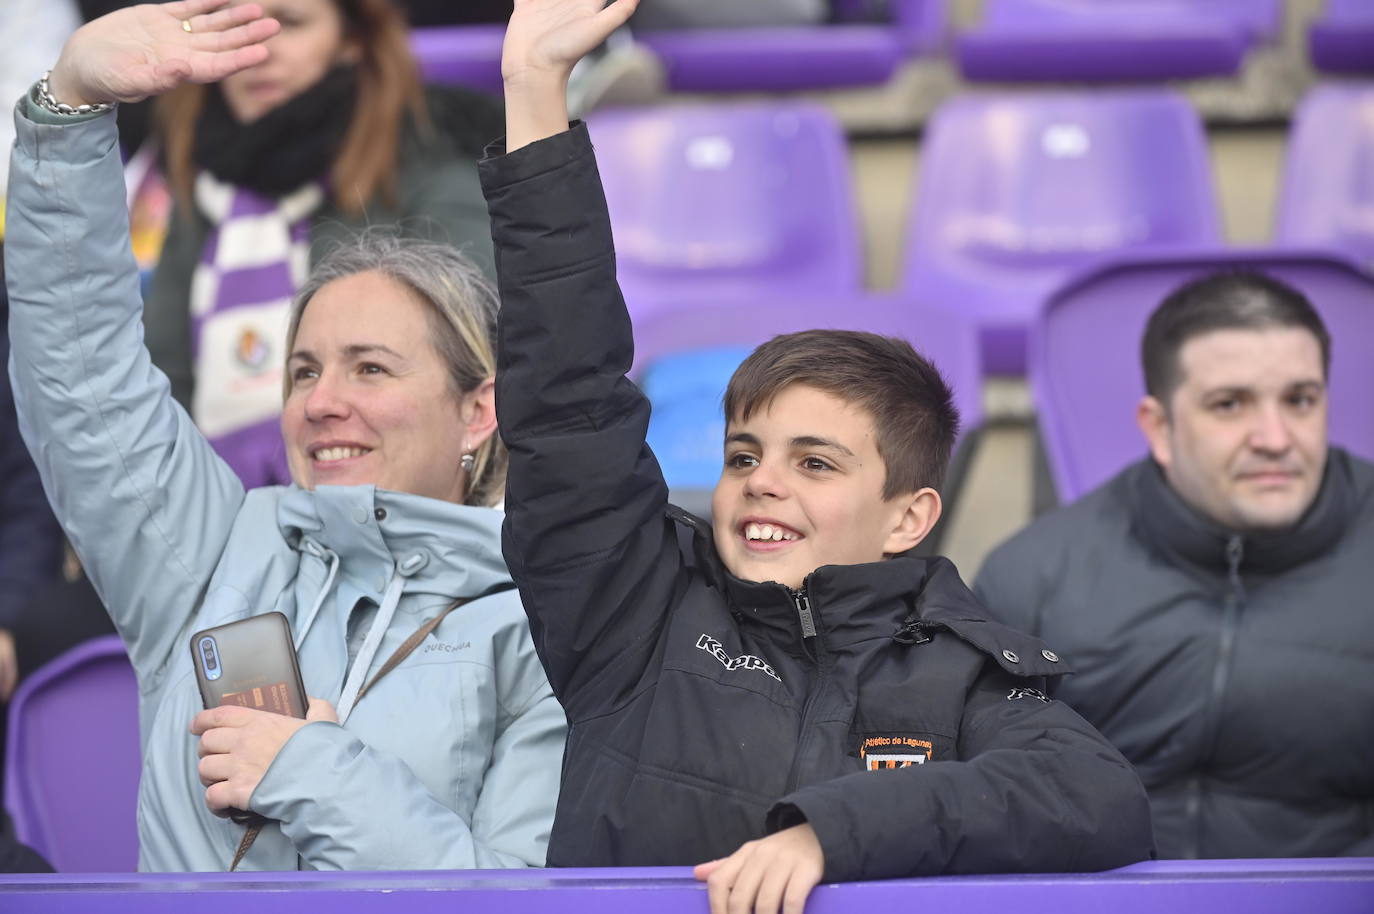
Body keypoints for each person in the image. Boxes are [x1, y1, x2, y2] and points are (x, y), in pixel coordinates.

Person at [482, 2, 1154, 911]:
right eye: (744, 454)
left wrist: (835, 832)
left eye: (817, 464)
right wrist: (532, 91)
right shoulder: (634, 610)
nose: (764, 479)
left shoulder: (957, 672)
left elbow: (1097, 798)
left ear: (910, 516)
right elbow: (565, 401)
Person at [5, 0, 564, 872]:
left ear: (479, 410)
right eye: (304, 371)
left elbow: (511, 895)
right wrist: (68, 111)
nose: (321, 402)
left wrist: (309, 771)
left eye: (371, 369)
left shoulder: (544, 622)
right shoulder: (215, 558)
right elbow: (83, 376)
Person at [975, 271, 1374, 859]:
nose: (1275, 437)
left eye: (1300, 400)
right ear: (1158, 428)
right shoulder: (1034, 576)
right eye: (1230, 404)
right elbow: (984, 802)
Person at [143, 0, 504, 490]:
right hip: (219, 526)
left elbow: (480, 356)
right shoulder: (199, 191)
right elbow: (161, 390)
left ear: (352, 40)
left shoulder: (433, 164)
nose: (259, 51)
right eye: (236, 27)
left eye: (289, 23)